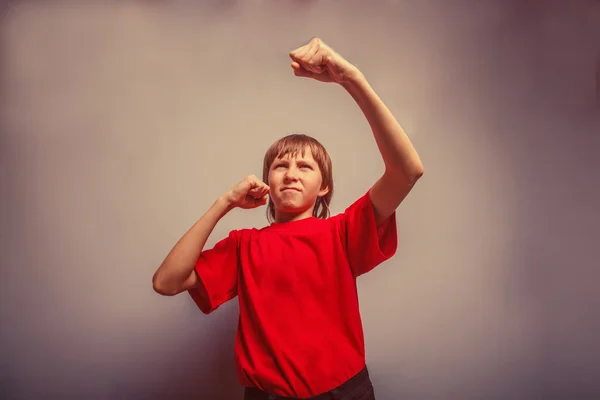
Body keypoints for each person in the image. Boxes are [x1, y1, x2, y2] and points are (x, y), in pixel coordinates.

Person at [152, 38, 424, 400]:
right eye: (281, 165)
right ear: (268, 180)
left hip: (343, 392)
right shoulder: (244, 245)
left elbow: (407, 171)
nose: (291, 173)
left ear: (324, 186)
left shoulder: (342, 232)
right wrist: (224, 202)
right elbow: (167, 282)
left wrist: (352, 79)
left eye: (305, 166)